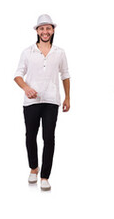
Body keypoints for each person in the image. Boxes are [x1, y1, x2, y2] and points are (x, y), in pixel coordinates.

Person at [13, 14, 70, 191]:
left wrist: (68, 97)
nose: (45, 32)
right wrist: (26, 88)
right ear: (37, 31)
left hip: (52, 100)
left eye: (48, 28)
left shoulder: (60, 52)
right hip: (31, 102)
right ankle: (33, 168)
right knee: (30, 136)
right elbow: (17, 75)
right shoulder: (27, 52)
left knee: (49, 138)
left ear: (53, 31)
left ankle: (45, 176)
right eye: (42, 28)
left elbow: (65, 75)